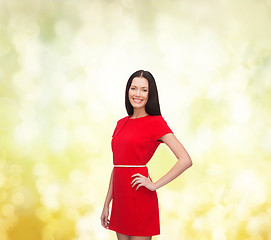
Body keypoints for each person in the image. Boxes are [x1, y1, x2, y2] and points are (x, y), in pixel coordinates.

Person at [100, 70, 192, 240]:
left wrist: (154, 185)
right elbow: (118, 166)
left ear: (151, 94)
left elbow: (185, 160)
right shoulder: (121, 123)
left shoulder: (156, 122)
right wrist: (107, 204)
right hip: (120, 200)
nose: (137, 94)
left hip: (140, 195)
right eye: (133, 88)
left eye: (144, 90)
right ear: (128, 90)